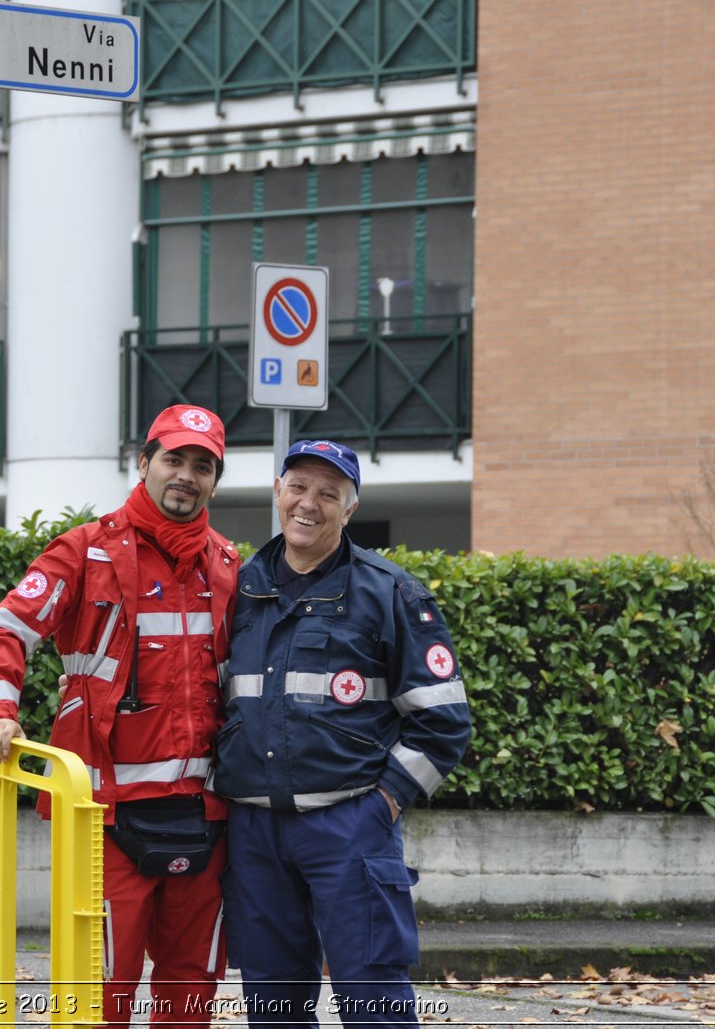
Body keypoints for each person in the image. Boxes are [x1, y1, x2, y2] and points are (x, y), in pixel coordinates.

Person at [0, 405, 242, 1028]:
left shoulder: (227, 564)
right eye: (174, 459)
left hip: (208, 813)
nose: (186, 476)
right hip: (104, 814)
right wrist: (0, 710)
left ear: (215, 481)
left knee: (192, 987)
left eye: (203, 466)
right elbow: (1, 635)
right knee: (103, 989)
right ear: (143, 463)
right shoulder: (84, 551)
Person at [212, 439, 472, 1027]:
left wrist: (383, 804)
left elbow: (443, 721)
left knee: (374, 1005)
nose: (310, 503)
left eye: (329, 494)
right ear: (277, 492)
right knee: (273, 1008)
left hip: (349, 827)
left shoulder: (391, 593)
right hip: (253, 834)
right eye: (298, 487)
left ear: (349, 510)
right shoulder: (235, 588)